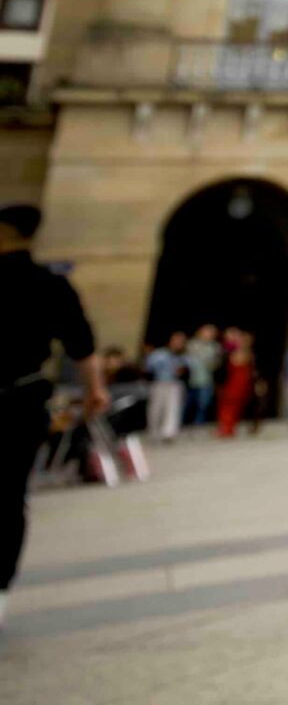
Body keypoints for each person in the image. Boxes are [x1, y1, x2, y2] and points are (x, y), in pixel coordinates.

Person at [2, 203, 107, 632]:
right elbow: (82, 344)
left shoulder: (48, 282)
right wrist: (94, 389)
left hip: (18, 400)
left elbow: (82, 344)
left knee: (7, 496)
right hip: (21, 400)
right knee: (9, 496)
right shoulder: (51, 284)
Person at [145, 333, 188, 443]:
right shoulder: (158, 354)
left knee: (173, 409)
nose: (179, 344)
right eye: (176, 341)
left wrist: (183, 371)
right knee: (156, 409)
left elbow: (187, 370)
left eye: (181, 342)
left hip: (175, 384)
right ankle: (154, 432)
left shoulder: (183, 356)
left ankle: (168, 433)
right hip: (159, 384)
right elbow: (148, 369)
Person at [215, 330, 257, 437]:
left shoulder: (241, 353)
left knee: (229, 407)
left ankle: (227, 429)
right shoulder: (241, 352)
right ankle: (228, 428)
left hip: (236, 384)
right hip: (237, 383)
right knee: (231, 407)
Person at [183, 325, 222, 430]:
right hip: (191, 379)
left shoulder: (215, 347)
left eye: (212, 333)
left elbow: (217, 363)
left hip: (206, 380)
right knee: (186, 404)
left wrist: (213, 364)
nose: (209, 334)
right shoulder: (191, 344)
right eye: (207, 332)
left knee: (203, 404)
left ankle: (198, 424)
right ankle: (182, 425)